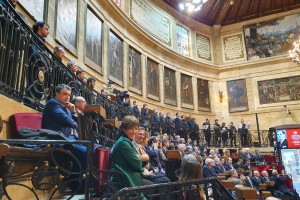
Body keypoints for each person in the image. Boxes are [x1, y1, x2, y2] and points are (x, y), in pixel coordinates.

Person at [42, 84, 87, 190]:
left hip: (67, 139)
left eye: (69, 95)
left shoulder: (66, 108)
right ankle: (74, 182)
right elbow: (69, 122)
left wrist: (72, 111)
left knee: (91, 150)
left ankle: (77, 181)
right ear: (57, 94)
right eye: (64, 94)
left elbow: (74, 124)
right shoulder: (52, 103)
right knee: (85, 152)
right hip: (55, 139)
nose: (67, 97)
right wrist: (72, 119)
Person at [111, 115, 143, 188]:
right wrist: (142, 159)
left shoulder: (127, 141)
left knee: (162, 180)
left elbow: (137, 163)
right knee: (160, 184)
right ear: (124, 129)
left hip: (132, 175)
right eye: (131, 129)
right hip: (126, 179)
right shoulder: (123, 143)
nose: (134, 131)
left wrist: (140, 159)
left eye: (136, 129)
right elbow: (137, 165)